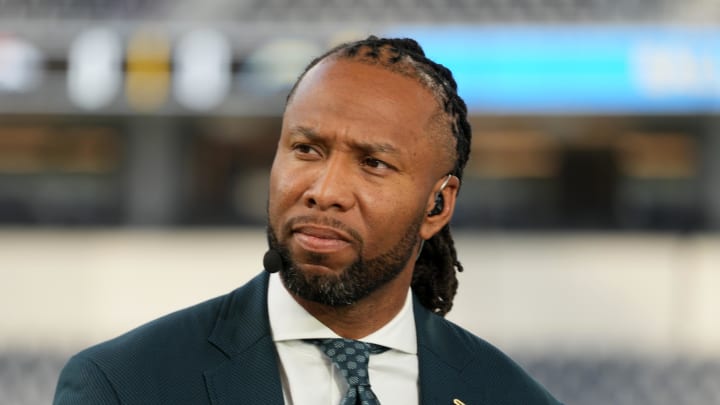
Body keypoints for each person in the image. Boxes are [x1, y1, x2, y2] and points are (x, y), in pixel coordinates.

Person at [54, 36, 562, 405]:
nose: (324, 191)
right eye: (306, 149)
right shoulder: (122, 385)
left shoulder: (511, 397)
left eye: (373, 163)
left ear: (438, 206)